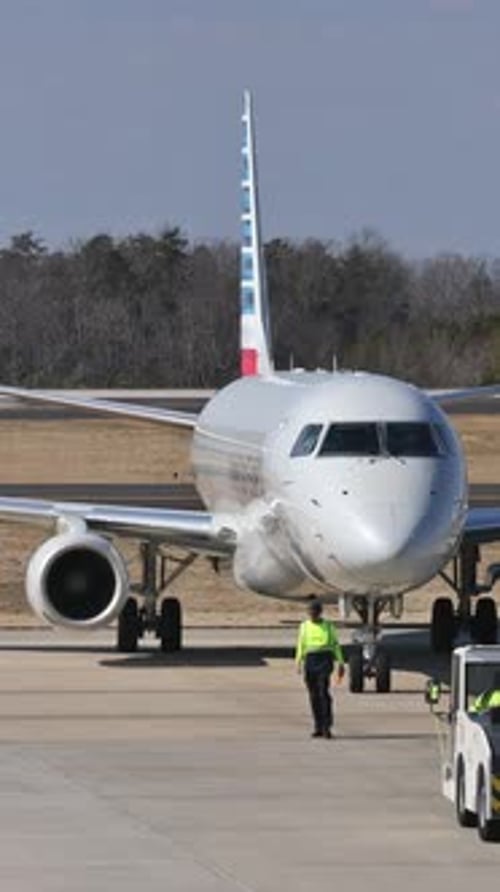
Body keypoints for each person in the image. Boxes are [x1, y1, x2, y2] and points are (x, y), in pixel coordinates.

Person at [295, 599, 345, 738]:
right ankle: (317, 725)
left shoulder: (328, 626)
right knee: (313, 695)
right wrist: (298, 661)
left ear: (320, 612)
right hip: (310, 660)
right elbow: (301, 644)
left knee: (323, 692)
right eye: (310, 612)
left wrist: (341, 662)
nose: (312, 614)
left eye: (315, 612)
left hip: (325, 659)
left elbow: (335, 644)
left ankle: (326, 726)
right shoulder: (304, 626)